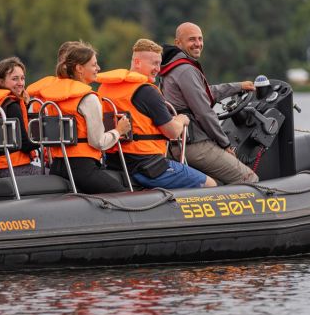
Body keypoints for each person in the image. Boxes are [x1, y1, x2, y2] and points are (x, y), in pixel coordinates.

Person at [98, 39, 216, 189]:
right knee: (211, 185)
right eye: (154, 63)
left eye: (159, 64)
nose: (158, 69)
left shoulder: (105, 88)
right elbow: (172, 132)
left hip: (115, 162)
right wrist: (181, 119)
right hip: (148, 166)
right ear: (137, 62)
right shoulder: (146, 91)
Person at [159, 22, 259, 185]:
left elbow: (204, 93)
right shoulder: (185, 70)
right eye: (192, 39)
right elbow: (204, 112)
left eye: (200, 39)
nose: (198, 44)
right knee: (249, 179)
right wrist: (224, 143)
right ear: (178, 43)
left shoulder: (170, 67)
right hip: (193, 144)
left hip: (176, 143)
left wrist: (238, 87)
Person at [26, 42, 132, 194]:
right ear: (80, 69)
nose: (98, 69)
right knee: (124, 196)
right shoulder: (88, 98)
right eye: (94, 65)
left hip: (57, 166)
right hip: (82, 169)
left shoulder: (51, 96)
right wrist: (119, 131)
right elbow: (98, 142)